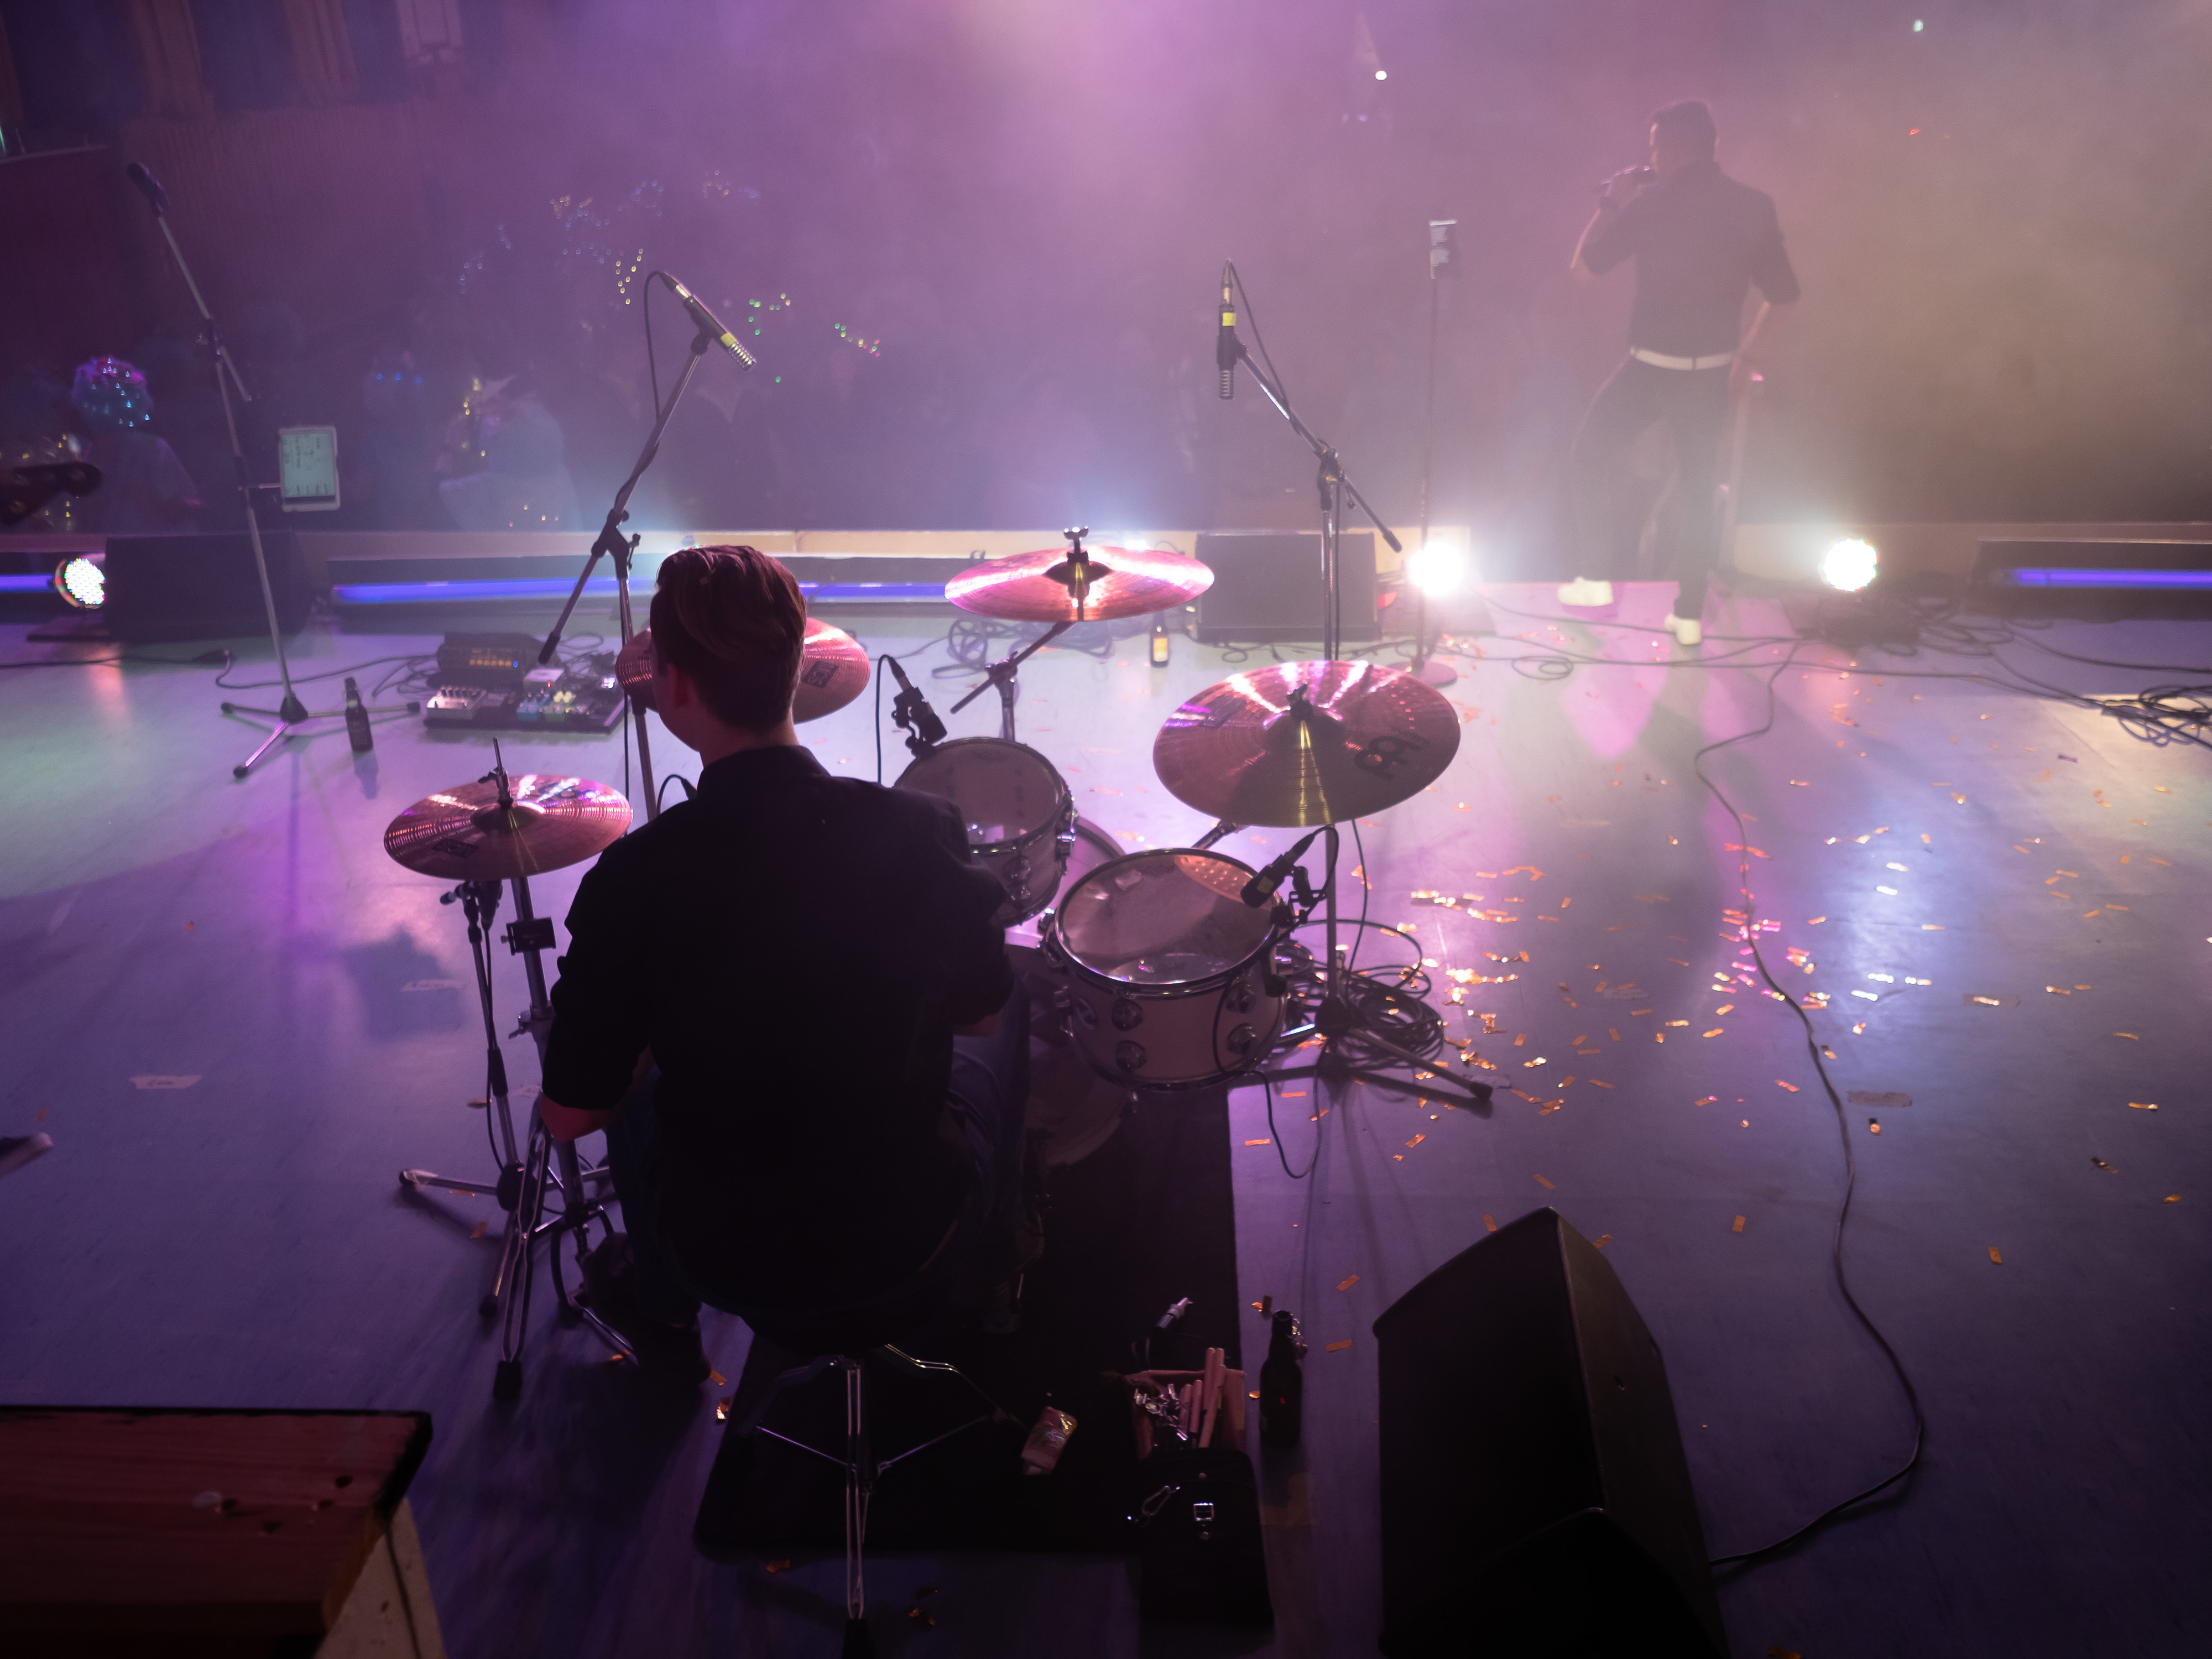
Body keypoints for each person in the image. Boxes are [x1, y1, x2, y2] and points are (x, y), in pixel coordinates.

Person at [534, 546, 1026, 1379]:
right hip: (912, 1235)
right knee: (1013, 1016)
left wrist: (660, 1034)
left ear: (674, 687)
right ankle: (998, 1266)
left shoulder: (632, 879)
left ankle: (665, 1309)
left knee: (637, 1087)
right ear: (798, 670)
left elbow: (569, 1116)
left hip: (724, 1254)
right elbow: (978, 1015)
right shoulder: (918, 830)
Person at [1559, 99, 1799, 646]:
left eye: (1653, 149)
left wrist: (1611, 203)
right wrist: (1747, 359)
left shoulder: (1651, 204)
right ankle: (1688, 614)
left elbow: (1583, 270)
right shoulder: (1754, 206)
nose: (1651, 160)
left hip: (1647, 371)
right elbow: (1784, 297)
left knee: (1588, 456)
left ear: (1670, 150)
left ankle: (1594, 579)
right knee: (1696, 491)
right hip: (1709, 375)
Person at [66, 357, 201, 533]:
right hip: (138, 545)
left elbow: (188, 507)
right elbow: (188, 507)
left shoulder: (149, 448)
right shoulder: (80, 452)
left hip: (134, 546)